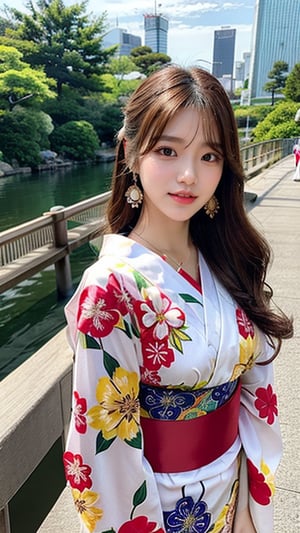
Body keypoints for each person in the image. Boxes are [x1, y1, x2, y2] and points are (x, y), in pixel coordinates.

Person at [63, 65, 293, 533]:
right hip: (160, 507)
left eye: (209, 156)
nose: (189, 175)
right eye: (168, 150)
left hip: (234, 491)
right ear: (130, 152)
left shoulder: (225, 257)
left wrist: (248, 509)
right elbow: (104, 446)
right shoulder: (110, 290)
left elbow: (254, 392)